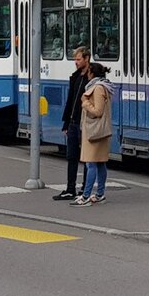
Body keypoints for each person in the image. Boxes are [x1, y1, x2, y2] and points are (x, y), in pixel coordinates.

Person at [74, 61, 115, 206]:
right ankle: (100, 194)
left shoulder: (97, 88)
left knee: (91, 164)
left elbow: (98, 111)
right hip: (100, 131)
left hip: (94, 133)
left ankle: (86, 196)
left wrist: (85, 103)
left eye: (88, 71)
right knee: (100, 164)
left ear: (92, 73)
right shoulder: (103, 86)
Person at [52, 47, 91, 201]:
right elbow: (71, 100)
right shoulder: (76, 76)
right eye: (75, 59)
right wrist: (66, 122)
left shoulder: (92, 77)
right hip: (73, 122)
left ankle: (85, 188)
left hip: (85, 123)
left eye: (78, 59)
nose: (76, 62)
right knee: (71, 156)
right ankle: (70, 188)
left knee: (87, 157)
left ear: (86, 58)